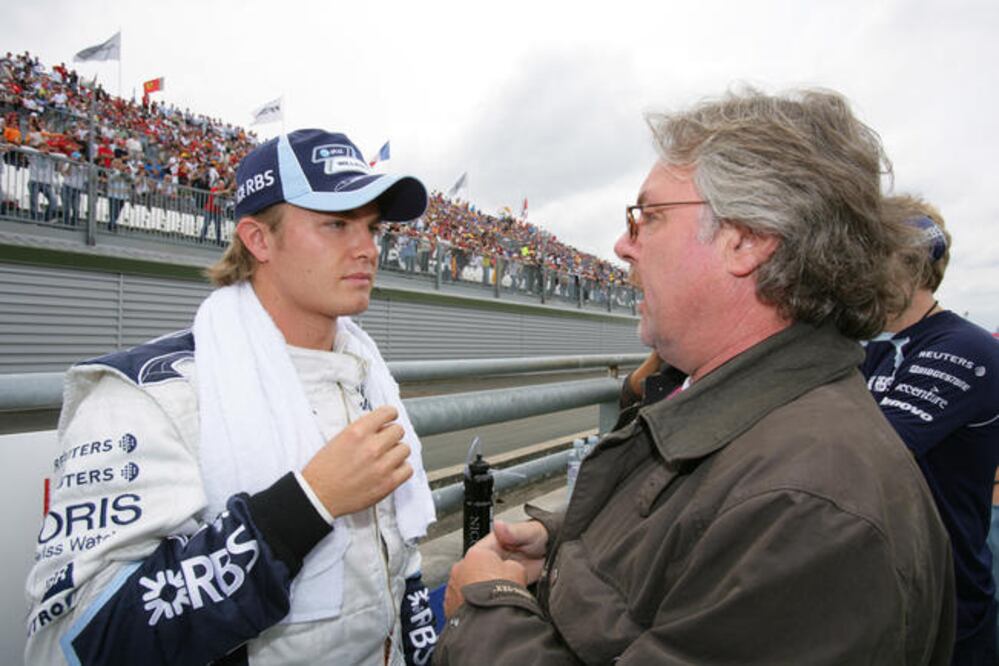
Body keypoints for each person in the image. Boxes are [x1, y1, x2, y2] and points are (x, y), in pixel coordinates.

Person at [434, 89, 956, 664]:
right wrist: (562, 551)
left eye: (648, 217)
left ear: (746, 240)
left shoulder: (810, 508)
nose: (623, 245)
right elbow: (689, 553)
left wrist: (484, 613)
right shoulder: (761, 430)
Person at [25, 128, 439, 665]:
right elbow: (75, 644)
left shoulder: (367, 375)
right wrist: (305, 505)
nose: (368, 248)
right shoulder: (145, 399)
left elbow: (399, 566)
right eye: (337, 223)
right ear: (258, 240)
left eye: (372, 227)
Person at [861, 195, 999, 665]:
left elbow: (874, 448)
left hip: (946, 608)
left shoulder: (964, 348)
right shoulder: (869, 347)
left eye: (870, 255)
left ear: (913, 266)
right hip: (881, 602)